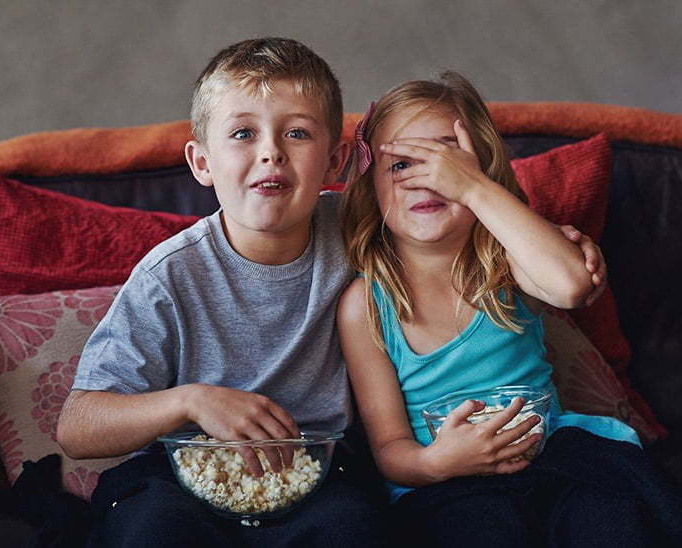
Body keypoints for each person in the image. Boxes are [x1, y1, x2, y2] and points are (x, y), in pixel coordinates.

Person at [57, 38, 606, 547]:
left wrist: (549, 235)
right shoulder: (170, 277)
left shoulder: (367, 225)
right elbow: (78, 427)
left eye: (297, 133)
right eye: (243, 134)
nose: (272, 153)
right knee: (153, 529)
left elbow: (463, 231)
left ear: (337, 161)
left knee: (353, 528)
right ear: (202, 162)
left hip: (318, 471)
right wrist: (191, 400)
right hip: (187, 472)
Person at [337, 72, 682, 546]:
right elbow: (391, 449)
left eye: (449, 159)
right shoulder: (366, 306)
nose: (428, 179)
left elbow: (571, 286)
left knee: (614, 521)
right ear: (371, 187)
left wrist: (473, 189)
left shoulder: (507, 261)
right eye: (402, 164)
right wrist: (437, 462)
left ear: (482, 169)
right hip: (448, 485)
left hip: (554, 457)